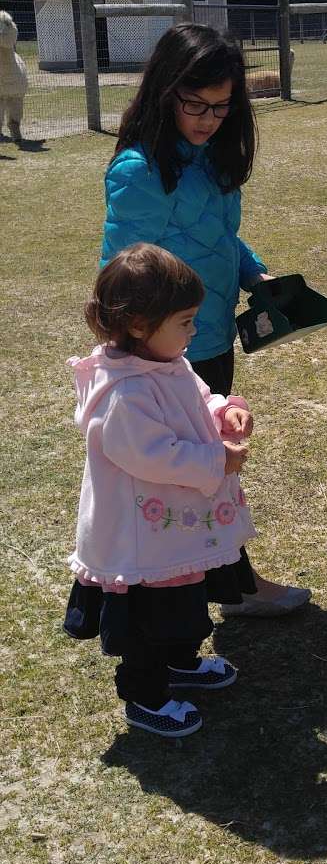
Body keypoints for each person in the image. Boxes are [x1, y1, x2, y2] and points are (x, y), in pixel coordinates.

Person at [100, 21, 308, 616]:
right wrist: (147, 352)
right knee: (191, 473)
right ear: (165, 91)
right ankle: (211, 588)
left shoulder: (213, 162)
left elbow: (222, 238)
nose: (208, 118)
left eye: (221, 106)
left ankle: (223, 583)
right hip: (166, 353)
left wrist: (258, 278)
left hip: (211, 336)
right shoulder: (140, 172)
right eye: (195, 104)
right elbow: (126, 273)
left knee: (214, 466)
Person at [64, 245, 260, 737]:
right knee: (151, 620)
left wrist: (222, 411)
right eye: (186, 321)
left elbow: (196, 399)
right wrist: (219, 460)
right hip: (141, 538)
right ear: (137, 325)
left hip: (170, 529)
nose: (193, 332)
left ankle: (182, 661)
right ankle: (145, 696)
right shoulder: (125, 392)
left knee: (184, 600)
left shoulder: (166, 361)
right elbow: (154, 456)